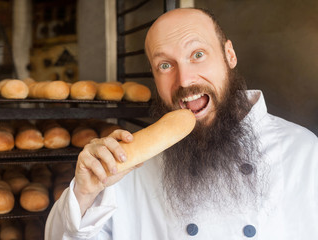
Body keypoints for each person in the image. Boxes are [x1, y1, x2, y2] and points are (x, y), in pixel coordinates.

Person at [45, 8, 318, 239]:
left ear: (229, 55)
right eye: (165, 65)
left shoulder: (305, 153)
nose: (185, 80)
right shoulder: (128, 165)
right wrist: (85, 192)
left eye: (198, 54)